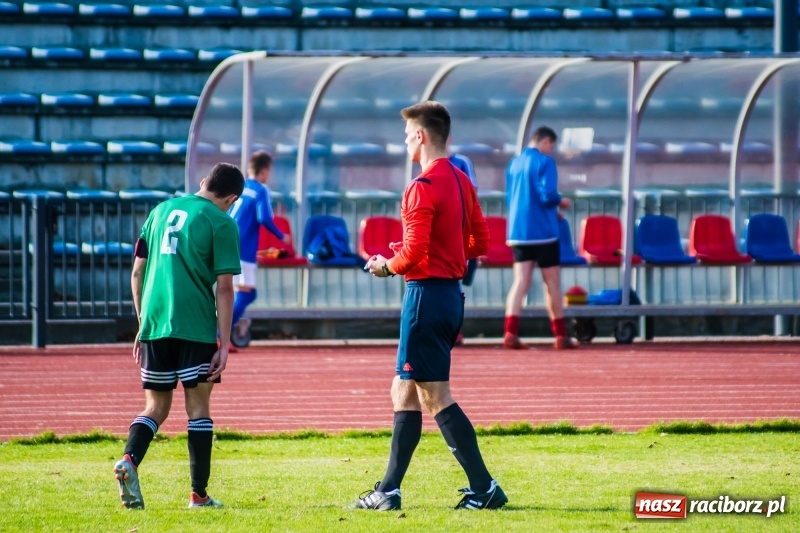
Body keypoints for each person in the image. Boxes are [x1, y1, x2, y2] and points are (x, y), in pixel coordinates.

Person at [352, 101, 507, 511]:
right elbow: (480, 243)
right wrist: (433, 252)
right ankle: (388, 491)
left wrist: (387, 265)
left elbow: (414, 253)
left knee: (435, 395)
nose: (405, 141)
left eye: (407, 134)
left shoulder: (422, 186)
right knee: (403, 389)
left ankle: (484, 487)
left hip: (424, 296)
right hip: (450, 294)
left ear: (420, 135)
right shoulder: (460, 181)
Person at [115, 162, 244, 510]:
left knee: (155, 407)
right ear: (231, 198)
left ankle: (129, 459)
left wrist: (144, 324)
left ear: (203, 183)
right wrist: (225, 343)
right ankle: (198, 496)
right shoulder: (221, 222)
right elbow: (226, 289)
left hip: (155, 324)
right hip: (196, 325)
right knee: (198, 410)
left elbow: (137, 272)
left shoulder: (159, 212)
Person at [503, 126, 578, 350]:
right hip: (543, 233)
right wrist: (561, 202)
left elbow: (513, 197)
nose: (551, 151)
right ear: (545, 141)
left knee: (520, 283)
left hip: (518, 232)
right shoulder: (545, 162)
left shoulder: (514, 163)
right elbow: (547, 195)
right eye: (551, 146)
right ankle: (560, 335)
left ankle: (510, 332)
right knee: (552, 282)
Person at [227, 150, 291, 346]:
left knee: (234, 291)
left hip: (228, 241)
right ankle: (220, 333)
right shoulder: (261, 189)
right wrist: (282, 236)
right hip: (243, 247)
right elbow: (263, 218)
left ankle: (223, 332)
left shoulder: (240, 186)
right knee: (248, 293)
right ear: (264, 171)